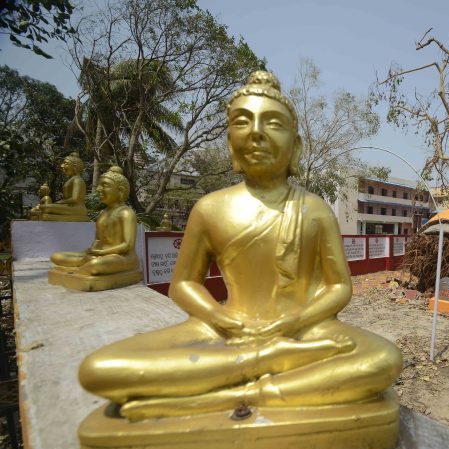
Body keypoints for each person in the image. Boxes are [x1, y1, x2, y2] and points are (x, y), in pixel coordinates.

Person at [79, 71, 402, 421]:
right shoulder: (209, 209)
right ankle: (271, 363)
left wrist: (294, 322)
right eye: (242, 122)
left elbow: (339, 287)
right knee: (98, 369)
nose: (256, 133)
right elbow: (183, 284)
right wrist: (220, 318)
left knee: (382, 360)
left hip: (305, 329)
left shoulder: (315, 210)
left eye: (273, 123)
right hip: (225, 327)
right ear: (231, 142)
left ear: (295, 146)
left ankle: (242, 391)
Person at [50, 166, 140, 276]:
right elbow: (98, 240)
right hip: (100, 254)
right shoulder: (104, 213)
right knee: (56, 256)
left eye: (105, 185)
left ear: (120, 191)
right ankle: (83, 267)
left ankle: (76, 271)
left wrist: (102, 252)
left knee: (96, 264)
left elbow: (127, 245)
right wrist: (91, 251)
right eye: (99, 185)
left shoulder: (126, 213)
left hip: (123, 257)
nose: (98, 189)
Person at [37, 152, 89, 220]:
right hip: (68, 207)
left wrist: (60, 202)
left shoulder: (77, 180)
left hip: (77, 209)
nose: (62, 166)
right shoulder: (71, 180)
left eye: (65, 163)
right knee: (43, 207)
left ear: (75, 167)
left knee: (45, 208)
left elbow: (75, 199)